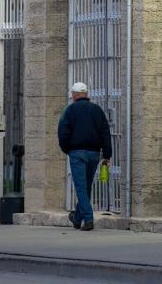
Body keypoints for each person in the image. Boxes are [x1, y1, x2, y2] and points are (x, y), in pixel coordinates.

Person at [58, 81, 112, 231]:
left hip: (77, 153)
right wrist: (107, 154)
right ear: (86, 94)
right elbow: (105, 132)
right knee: (86, 186)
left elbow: (63, 132)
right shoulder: (97, 110)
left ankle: (88, 219)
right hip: (94, 154)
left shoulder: (69, 111)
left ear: (74, 95)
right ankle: (76, 218)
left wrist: (67, 149)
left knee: (81, 188)